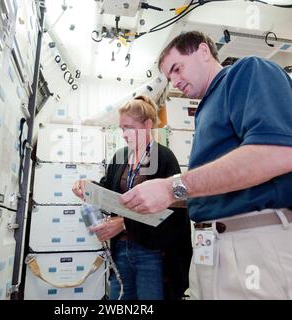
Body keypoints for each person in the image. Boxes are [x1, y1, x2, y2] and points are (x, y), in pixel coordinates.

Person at [119, 31, 292, 299]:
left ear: (203, 51)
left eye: (177, 69)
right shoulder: (206, 108)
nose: (175, 82)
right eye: (169, 77)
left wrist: (171, 187)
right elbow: (218, 187)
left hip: (250, 244)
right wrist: (159, 197)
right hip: (210, 247)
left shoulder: (246, 72)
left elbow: (278, 153)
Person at [72, 95, 192, 300]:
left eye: (128, 127)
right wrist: (89, 188)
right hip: (121, 249)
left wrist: (124, 223)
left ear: (146, 125)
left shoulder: (164, 158)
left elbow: (173, 212)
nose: (124, 134)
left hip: (153, 253)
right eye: (121, 128)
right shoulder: (120, 157)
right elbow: (107, 190)